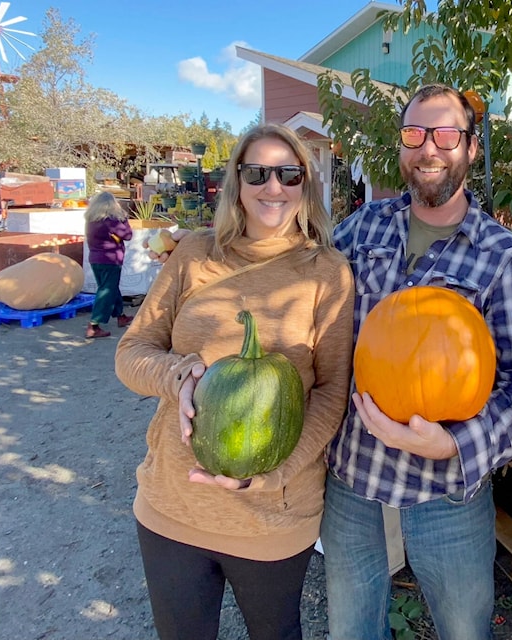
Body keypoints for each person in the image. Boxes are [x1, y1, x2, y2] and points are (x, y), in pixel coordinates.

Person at [114, 123, 355, 640]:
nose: (274, 187)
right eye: (257, 173)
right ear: (236, 184)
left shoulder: (328, 272)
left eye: (289, 174)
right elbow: (132, 351)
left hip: (273, 514)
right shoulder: (193, 255)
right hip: (172, 505)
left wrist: (269, 475)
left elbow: (333, 391)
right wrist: (176, 377)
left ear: (306, 185)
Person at [322, 83, 512, 640]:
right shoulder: (361, 229)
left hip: (447, 487)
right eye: (414, 133)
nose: (429, 148)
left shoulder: (502, 256)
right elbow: (301, 290)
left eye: (446, 135)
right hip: (354, 477)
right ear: (401, 145)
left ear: (470, 148)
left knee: (464, 630)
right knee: (351, 630)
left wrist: (456, 444)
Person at [84, 191, 133, 338]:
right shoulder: (111, 220)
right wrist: (124, 220)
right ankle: (94, 325)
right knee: (106, 290)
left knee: (110, 287)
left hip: (95, 258)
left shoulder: (91, 219)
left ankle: (120, 315)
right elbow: (128, 235)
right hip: (110, 260)